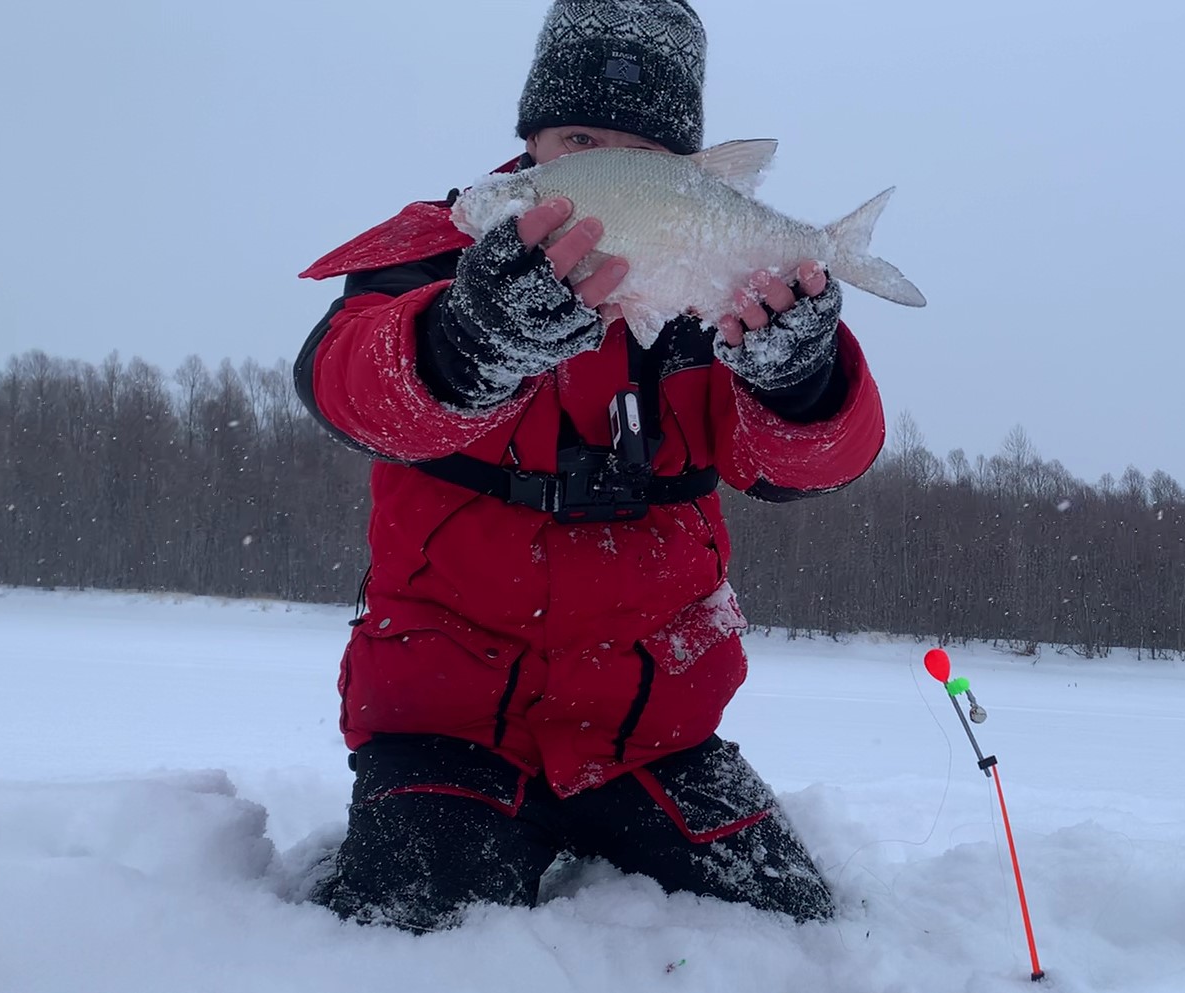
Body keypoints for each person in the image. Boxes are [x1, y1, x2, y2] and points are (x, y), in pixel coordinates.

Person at [293, 0, 885, 932]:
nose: (595, 164)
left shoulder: (710, 278)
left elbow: (801, 468)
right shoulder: (434, 249)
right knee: (411, 942)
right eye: (576, 136)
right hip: (446, 715)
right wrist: (464, 343)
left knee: (798, 933)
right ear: (531, 138)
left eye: (639, 154)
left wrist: (801, 382)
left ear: (680, 171)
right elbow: (347, 389)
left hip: (655, 727)